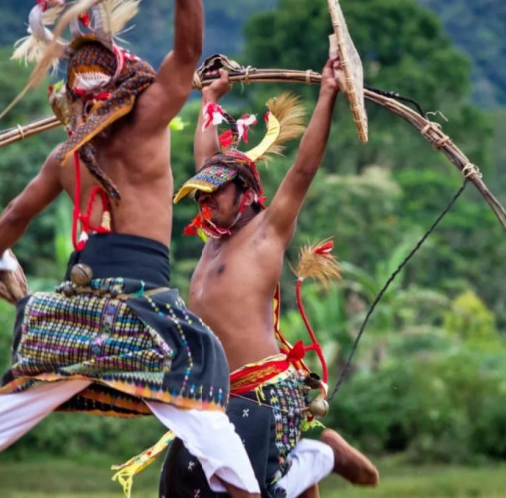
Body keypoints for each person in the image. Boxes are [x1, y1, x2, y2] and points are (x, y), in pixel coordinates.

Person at [0, 0, 260, 497]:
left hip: (80, 300)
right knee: (196, 396)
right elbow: (187, 52)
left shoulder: (65, 155)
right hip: (144, 302)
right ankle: (247, 494)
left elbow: (13, 218)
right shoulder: (148, 123)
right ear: (127, 81)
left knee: (24, 385)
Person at [159, 61, 379, 497]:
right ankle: (315, 462)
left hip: (262, 395)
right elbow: (207, 162)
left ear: (246, 194)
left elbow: (302, 170)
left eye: (218, 190)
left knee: (257, 493)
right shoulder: (212, 235)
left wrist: (328, 93)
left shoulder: (265, 233)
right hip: (212, 397)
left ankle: (323, 455)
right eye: (203, 191)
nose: (207, 199)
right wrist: (209, 98)